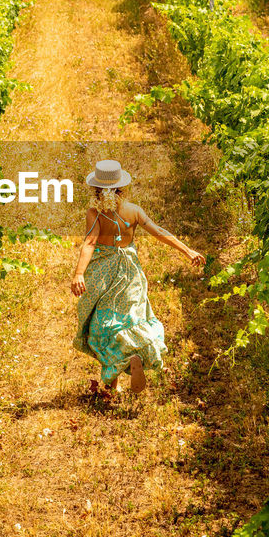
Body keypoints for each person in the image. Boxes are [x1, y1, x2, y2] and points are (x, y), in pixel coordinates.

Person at [70, 160, 203, 398]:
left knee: (103, 323)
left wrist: (79, 273)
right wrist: (188, 250)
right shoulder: (134, 210)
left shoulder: (95, 213)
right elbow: (160, 233)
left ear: (97, 189)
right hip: (130, 273)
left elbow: (90, 242)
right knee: (131, 319)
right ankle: (134, 357)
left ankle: (113, 382)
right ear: (122, 188)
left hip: (103, 272)